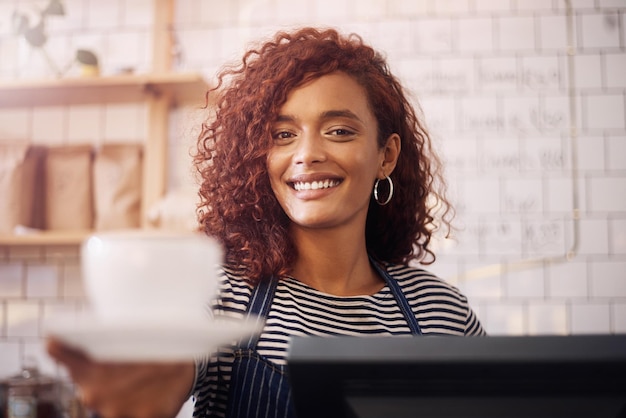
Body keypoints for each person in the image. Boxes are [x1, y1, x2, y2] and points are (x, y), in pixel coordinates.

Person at [47, 27, 485, 418]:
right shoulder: (222, 295)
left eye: (339, 131)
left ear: (385, 156)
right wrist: (148, 384)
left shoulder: (443, 313)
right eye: (283, 134)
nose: (307, 153)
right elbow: (168, 368)